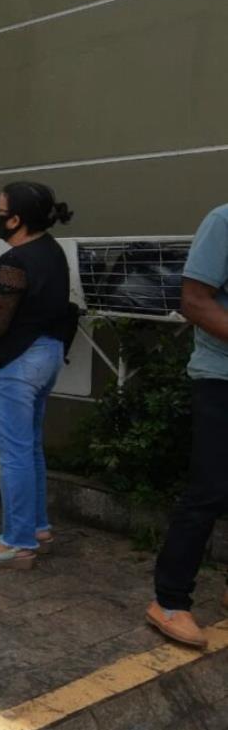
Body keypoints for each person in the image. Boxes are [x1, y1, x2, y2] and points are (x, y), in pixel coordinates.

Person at [0, 181, 74, 569]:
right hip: (47, 355)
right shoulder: (49, 250)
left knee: (13, 453)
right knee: (29, 447)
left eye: (0, 209)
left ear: (16, 219)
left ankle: (18, 542)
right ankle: (36, 528)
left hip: (18, 363)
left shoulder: (16, 259)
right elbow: (21, 298)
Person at [146, 205, 228, 648]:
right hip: (221, 379)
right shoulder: (223, 221)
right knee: (209, 490)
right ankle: (169, 601)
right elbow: (194, 301)